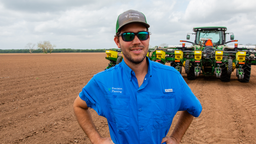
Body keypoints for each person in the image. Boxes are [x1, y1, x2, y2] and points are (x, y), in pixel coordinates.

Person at [73, 9, 202, 144]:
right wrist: (96, 139)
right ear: (117, 41)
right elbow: (79, 105)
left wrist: (176, 137)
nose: (136, 41)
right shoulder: (103, 81)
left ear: (148, 38)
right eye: (128, 36)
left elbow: (193, 108)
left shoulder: (172, 77)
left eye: (142, 35)